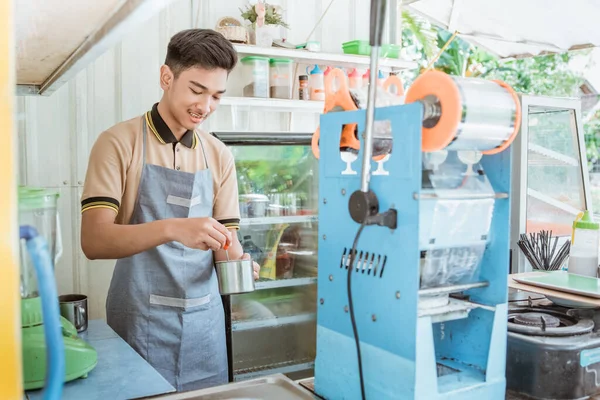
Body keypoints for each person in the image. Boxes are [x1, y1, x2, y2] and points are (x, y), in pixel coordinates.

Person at [79, 28, 259, 392]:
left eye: (216, 96)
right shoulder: (118, 143)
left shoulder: (218, 155)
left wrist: (239, 261)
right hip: (139, 322)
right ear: (167, 77)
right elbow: (94, 240)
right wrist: (173, 228)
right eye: (196, 90)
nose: (205, 107)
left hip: (204, 329)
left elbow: (227, 242)